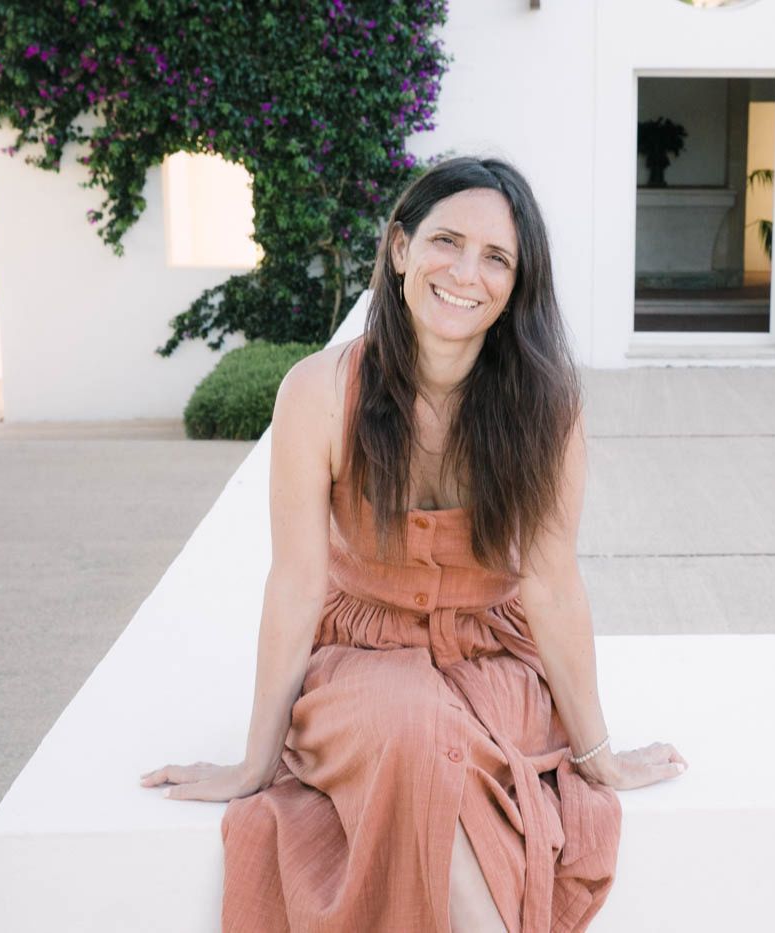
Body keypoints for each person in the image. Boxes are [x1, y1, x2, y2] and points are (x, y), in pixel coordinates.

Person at [139, 155, 686, 932]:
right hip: (362, 657)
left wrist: (600, 752)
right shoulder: (318, 391)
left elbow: (552, 583)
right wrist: (255, 761)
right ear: (400, 248)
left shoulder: (548, 408)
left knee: (429, 742)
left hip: (493, 662)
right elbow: (296, 583)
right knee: (410, 726)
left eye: (496, 258)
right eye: (446, 241)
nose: (466, 273)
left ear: (517, 285)